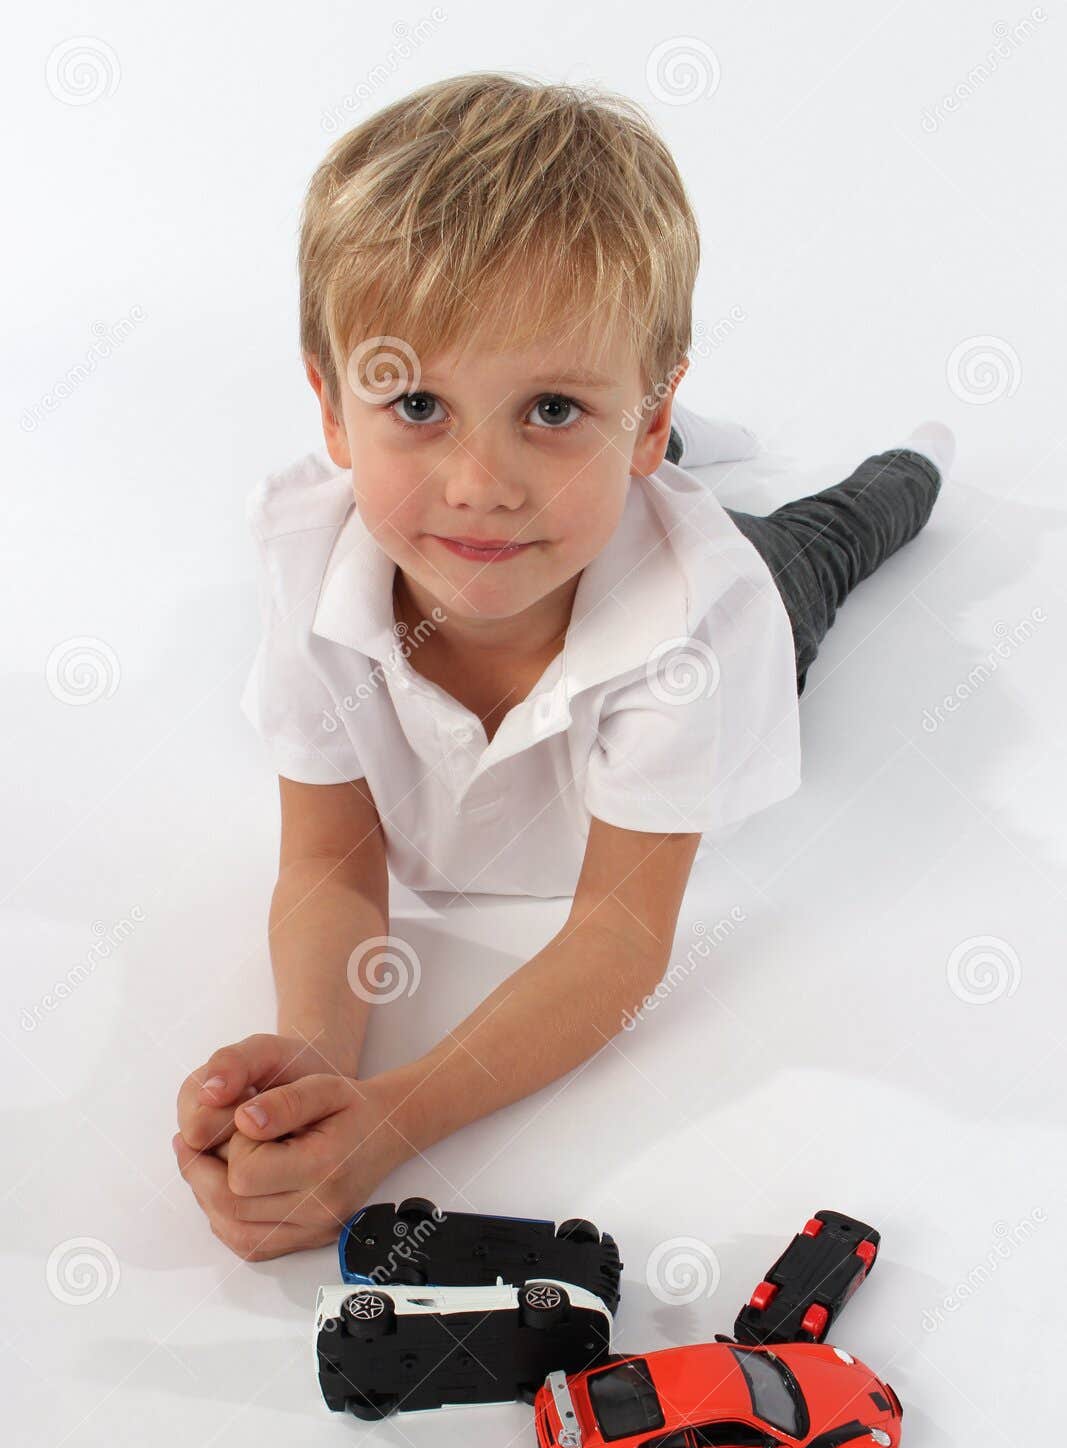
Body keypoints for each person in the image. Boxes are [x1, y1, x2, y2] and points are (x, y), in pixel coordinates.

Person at [173, 73, 953, 1260]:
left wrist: (390, 1123)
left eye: (548, 408)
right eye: (420, 403)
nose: (478, 482)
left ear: (640, 419)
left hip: (727, 584)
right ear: (332, 407)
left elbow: (614, 938)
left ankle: (899, 462)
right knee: (539, 491)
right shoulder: (308, 554)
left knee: (820, 545)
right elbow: (330, 861)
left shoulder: (699, 623)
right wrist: (316, 1070)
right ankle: (630, 432)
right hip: (596, 502)